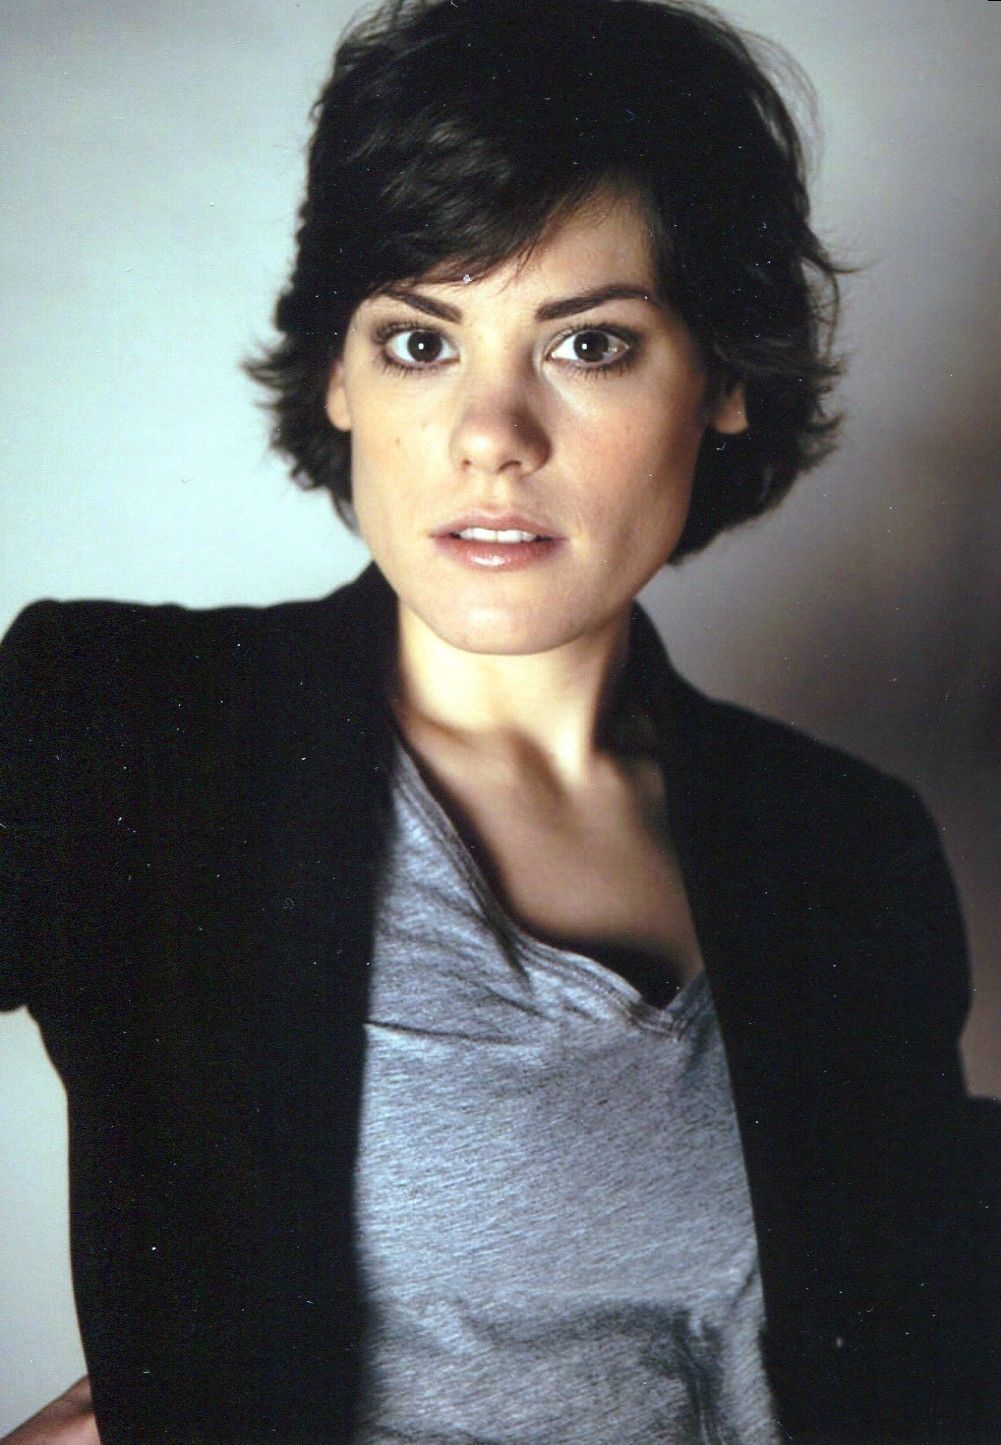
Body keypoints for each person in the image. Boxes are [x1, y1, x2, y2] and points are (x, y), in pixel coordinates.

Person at [2, 0, 997, 1441]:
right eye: (421, 341)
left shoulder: (848, 847)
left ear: (721, 380)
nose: (490, 434)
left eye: (588, 345)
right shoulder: (128, 727)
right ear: (338, 373)